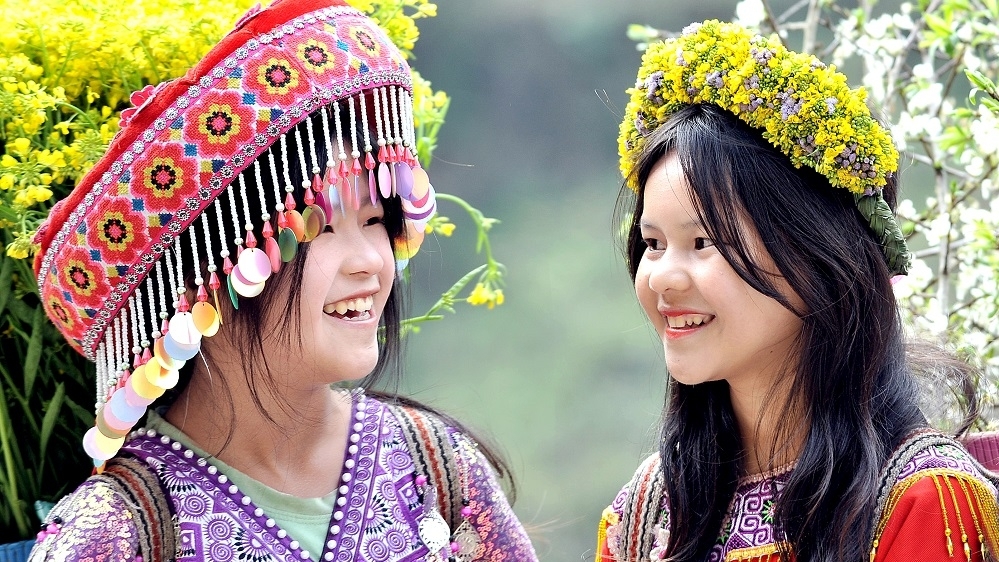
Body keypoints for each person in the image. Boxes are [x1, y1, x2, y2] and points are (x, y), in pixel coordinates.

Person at [27, 1, 537, 560]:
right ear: (213, 275)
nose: (370, 260)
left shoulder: (438, 468)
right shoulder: (115, 534)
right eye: (319, 230)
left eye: (375, 221)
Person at [595, 19, 999, 562]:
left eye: (704, 241)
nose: (663, 277)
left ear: (817, 258)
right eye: (653, 243)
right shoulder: (646, 514)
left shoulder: (921, 503)